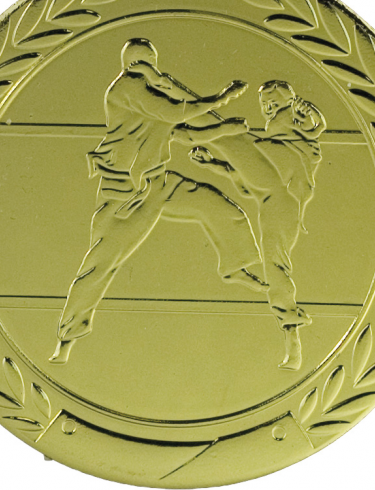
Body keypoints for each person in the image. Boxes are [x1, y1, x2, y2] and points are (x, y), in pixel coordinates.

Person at [50, 38, 269, 364]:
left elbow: (185, 134)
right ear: (132, 65)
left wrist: (224, 129)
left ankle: (234, 267)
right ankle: (66, 341)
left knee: (218, 205)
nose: (150, 69)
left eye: (150, 62)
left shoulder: (151, 98)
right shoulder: (127, 90)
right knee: (101, 265)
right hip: (125, 193)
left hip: (159, 183)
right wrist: (222, 98)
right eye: (143, 63)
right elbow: (175, 112)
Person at [174, 80, 326, 369]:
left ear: (287, 103)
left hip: (282, 192)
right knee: (274, 263)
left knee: (231, 138)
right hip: (274, 192)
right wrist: (212, 165)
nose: (267, 109)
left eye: (273, 103)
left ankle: (292, 335)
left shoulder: (295, 120)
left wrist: (307, 112)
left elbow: (315, 127)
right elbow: (249, 174)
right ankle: (291, 335)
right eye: (265, 104)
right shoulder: (275, 138)